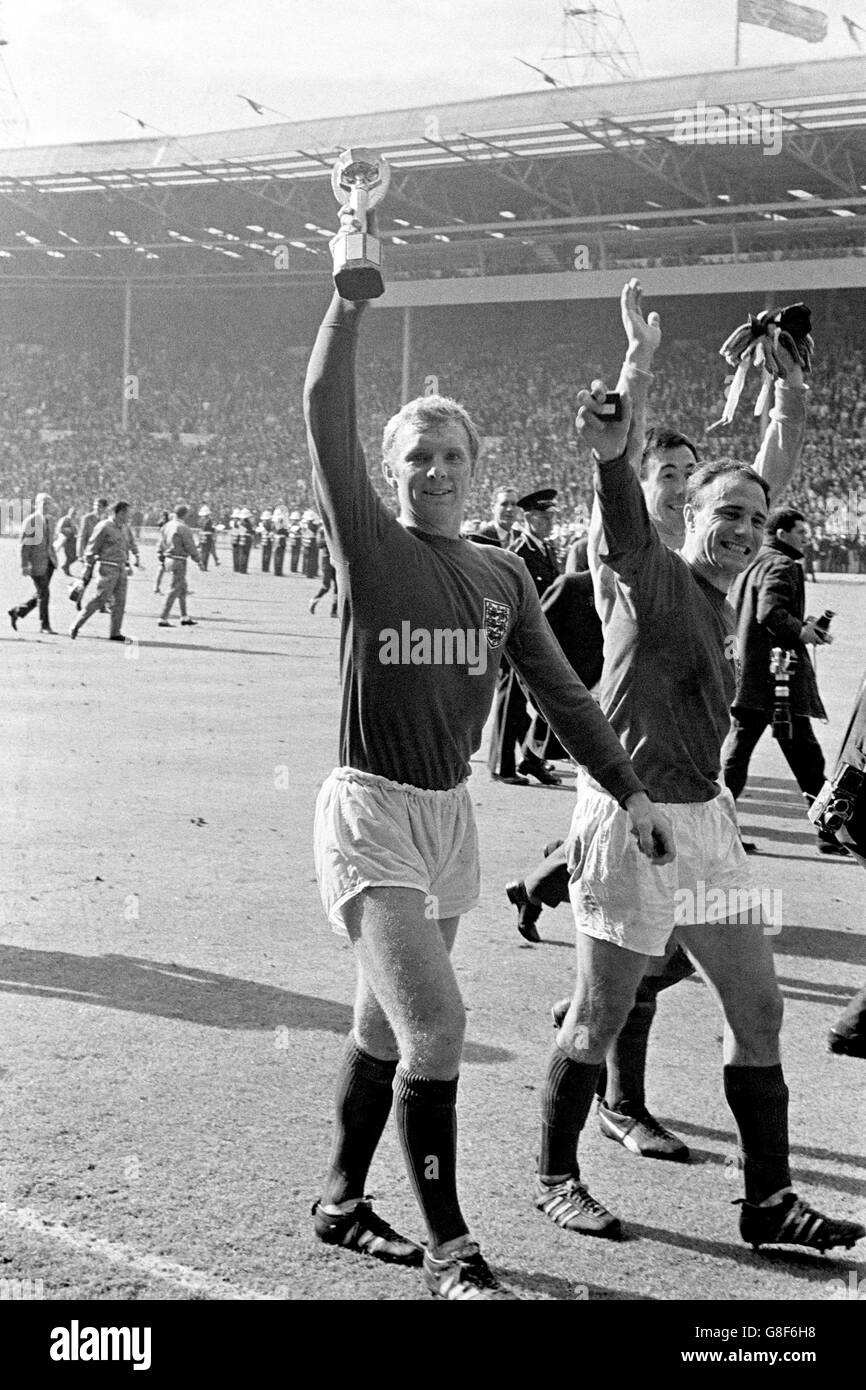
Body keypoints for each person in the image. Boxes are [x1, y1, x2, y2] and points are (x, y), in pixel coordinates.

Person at [304, 242, 674, 1301]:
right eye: (414, 455)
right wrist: (348, 292)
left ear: (474, 464)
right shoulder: (369, 544)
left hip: (447, 817)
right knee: (439, 1028)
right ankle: (452, 1249)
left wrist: (632, 789)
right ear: (390, 472)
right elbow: (323, 401)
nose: (432, 469)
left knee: (384, 1027)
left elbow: (561, 694)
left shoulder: (503, 573)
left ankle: (340, 1198)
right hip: (368, 809)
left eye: (449, 454)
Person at [534, 279, 864, 1256]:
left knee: (757, 1008)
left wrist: (791, 398)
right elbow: (614, 470)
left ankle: (767, 1201)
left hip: (705, 821)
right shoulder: (644, 566)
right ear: (687, 514)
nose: (741, 526)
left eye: (754, 519)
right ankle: (555, 1174)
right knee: (595, 1013)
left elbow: (769, 463)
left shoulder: (728, 588)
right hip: (630, 815)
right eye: (723, 510)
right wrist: (632, 367)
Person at [721, 507, 844, 855]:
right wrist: (801, 631)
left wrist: (801, 626)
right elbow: (770, 613)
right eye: (801, 531)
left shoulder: (756, 560)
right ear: (782, 533)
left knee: (745, 754)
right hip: (777, 680)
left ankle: (718, 829)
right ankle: (828, 830)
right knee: (804, 756)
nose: (806, 537)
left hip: (751, 675)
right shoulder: (782, 565)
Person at [487, 489, 562, 786]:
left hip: (537, 635)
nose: (549, 522)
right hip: (516, 636)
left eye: (552, 516)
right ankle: (503, 767)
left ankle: (531, 758)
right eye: (544, 517)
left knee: (527, 701)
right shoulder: (519, 552)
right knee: (510, 702)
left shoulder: (545, 549)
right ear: (529, 518)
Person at [71, 500, 139, 642]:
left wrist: (129, 562)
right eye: (127, 513)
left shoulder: (124, 528)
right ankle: (76, 624)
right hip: (107, 568)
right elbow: (91, 549)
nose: (129, 516)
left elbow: (127, 546)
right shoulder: (104, 527)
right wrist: (87, 568)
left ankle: (115, 632)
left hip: (121, 569)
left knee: (120, 602)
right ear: (119, 513)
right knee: (100, 599)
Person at [8, 492, 59, 635]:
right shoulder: (31, 521)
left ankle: (17, 611)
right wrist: (24, 565)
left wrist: (53, 556)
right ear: (37, 505)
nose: (46, 506)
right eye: (43, 503)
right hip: (36, 563)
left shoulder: (50, 520)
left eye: (48, 503)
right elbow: (25, 546)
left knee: (41, 593)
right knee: (45, 594)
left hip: (49, 562)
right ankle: (44, 625)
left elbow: (50, 542)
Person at [157, 503, 203, 628]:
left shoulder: (166, 526)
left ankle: (184, 616)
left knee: (182, 588)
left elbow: (160, 543)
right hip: (179, 559)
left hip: (169, 558)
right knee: (175, 589)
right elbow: (189, 545)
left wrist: (161, 555)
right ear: (186, 514)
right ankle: (163, 617)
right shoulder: (183, 527)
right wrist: (198, 559)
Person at [309, 532, 338, 616]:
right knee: (326, 586)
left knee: (338, 587)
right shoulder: (324, 532)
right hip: (327, 563)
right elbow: (319, 544)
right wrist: (330, 540)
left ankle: (334, 610)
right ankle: (314, 599)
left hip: (336, 563)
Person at [78, 497, 108, 561]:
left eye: (99, 506)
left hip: (103, 553)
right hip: (89, 552)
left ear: (104, 508)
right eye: (95, 505)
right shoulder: (87, 518)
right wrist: (80, 554)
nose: (96, 508)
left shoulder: (107, 520)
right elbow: (81, 537)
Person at [55, 507, 77, 576]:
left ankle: (65, 566)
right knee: (71, 556)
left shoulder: (72, 520)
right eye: (72, 513)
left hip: (73, 541)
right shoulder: (65, 519)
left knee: (75, 557)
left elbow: (75, 530)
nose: (74, 514)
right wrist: (69, 531)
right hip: (67, 541)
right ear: (69, 512)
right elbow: (60, 529)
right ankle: (66, 568)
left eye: (75, 513)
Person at [153, 509, 171, 592]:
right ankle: (177, 588)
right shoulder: (169, 523)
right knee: (173, 568)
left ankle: (156, 587)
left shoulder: (162, 523)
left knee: (162, 567)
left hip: (161, 546)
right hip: (165, 545)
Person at [272, 510, 289, 576]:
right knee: (280, 557)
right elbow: (286, 533)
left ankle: (276, 571)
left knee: (276, 556)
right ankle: (278, 572)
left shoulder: (274, 524)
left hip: (276, 540)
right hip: (281, 540)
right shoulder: (283, 525)